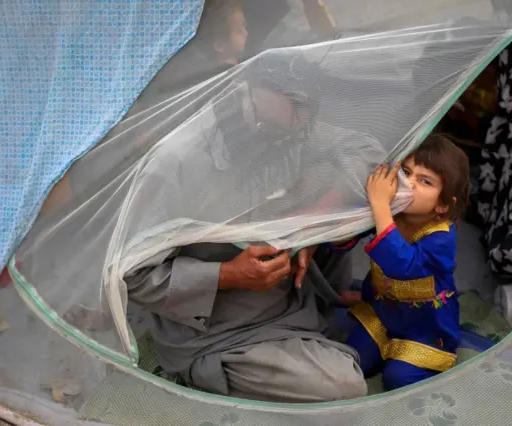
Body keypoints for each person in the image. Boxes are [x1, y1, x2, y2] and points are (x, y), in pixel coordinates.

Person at [122, 51, 371, 402]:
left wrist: (312, 222)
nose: (281, 145)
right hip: (219, 330)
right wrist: (230, 275)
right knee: (344, 388)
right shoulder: (176, 162)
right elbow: (133, 275)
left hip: (292, 299)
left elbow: (365, 149)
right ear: (241, 93)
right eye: (271, 132)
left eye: (294, 135)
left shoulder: (289, 128)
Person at [331, 135, 469, 390]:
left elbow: (402, 266)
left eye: (425, 181)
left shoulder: (441, 237)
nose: (410, 184)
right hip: (384, 315)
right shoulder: (391, 211)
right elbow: (347, 237)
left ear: (442, 204)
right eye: (406, 173)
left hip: (425, 329)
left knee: (398, 378)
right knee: (353, 358)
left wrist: (381, 205)